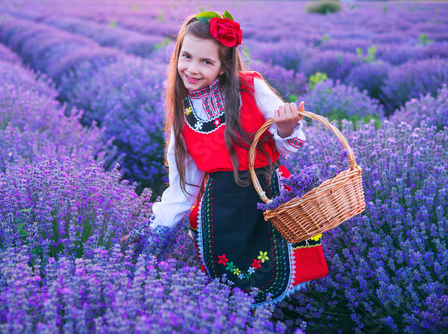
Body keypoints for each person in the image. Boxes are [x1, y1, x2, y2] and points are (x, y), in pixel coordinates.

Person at [122, 10, 328, 308]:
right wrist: (153, 233)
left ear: (223, 66)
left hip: (268, 200)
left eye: (206, 61)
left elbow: (288, 145)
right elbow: (183, 189)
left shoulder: (250, 87)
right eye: (187, 56)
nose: (192, 69)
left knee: (277, 273)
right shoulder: (183, 116)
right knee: (233, 288)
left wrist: (285, 127)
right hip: (222, 215)